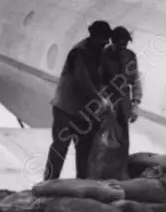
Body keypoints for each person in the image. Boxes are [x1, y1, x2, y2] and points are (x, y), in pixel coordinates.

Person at [44, 20, 112, 180]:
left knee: (85, 151)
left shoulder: (99, 53)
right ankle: (48, 183)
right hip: (66, 110)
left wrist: (106, 97)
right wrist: (99, 98)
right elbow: (82, 80)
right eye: (103, 40)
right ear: (95, 37)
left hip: (85, 112)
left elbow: (101, 79)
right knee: (60, 148)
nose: (106, 43)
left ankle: (81, 183)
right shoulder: (79, 52)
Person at [102, 25, 142, 149]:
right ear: (113, 42)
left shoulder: (130, 56)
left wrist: (136, 104)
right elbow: (97, 80)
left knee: (122, 139)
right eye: (120, 45)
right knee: (103, 139)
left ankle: (120, 164)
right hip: (107, 99)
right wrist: (102, 98)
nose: (123, 48)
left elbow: (135, 80)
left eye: (125, 44)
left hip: (124, 100)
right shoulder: (104, 55)